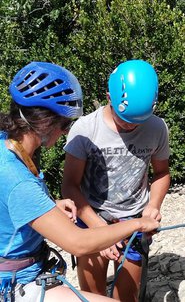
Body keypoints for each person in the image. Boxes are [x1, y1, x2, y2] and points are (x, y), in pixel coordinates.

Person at [0, 61, 160, 302]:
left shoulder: (6, 146)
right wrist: (138, 225)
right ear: (44, 123)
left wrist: (50, 206)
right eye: (64, 124)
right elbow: (78, 243)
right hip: (18, 281)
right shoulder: (17, 178)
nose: (66, 131)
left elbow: (10, 202)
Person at [61, 59, 170, 301]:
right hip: (92, 217)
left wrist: (153, 206)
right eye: (125, 119)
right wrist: (98, 229)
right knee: (92, 296)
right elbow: (69, 184)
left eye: (138, 121)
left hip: (133, 218)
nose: (131, 126)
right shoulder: (86, 129)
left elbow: (162, 173)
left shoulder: (156, 128)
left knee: (127, 297)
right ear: (109, 97)